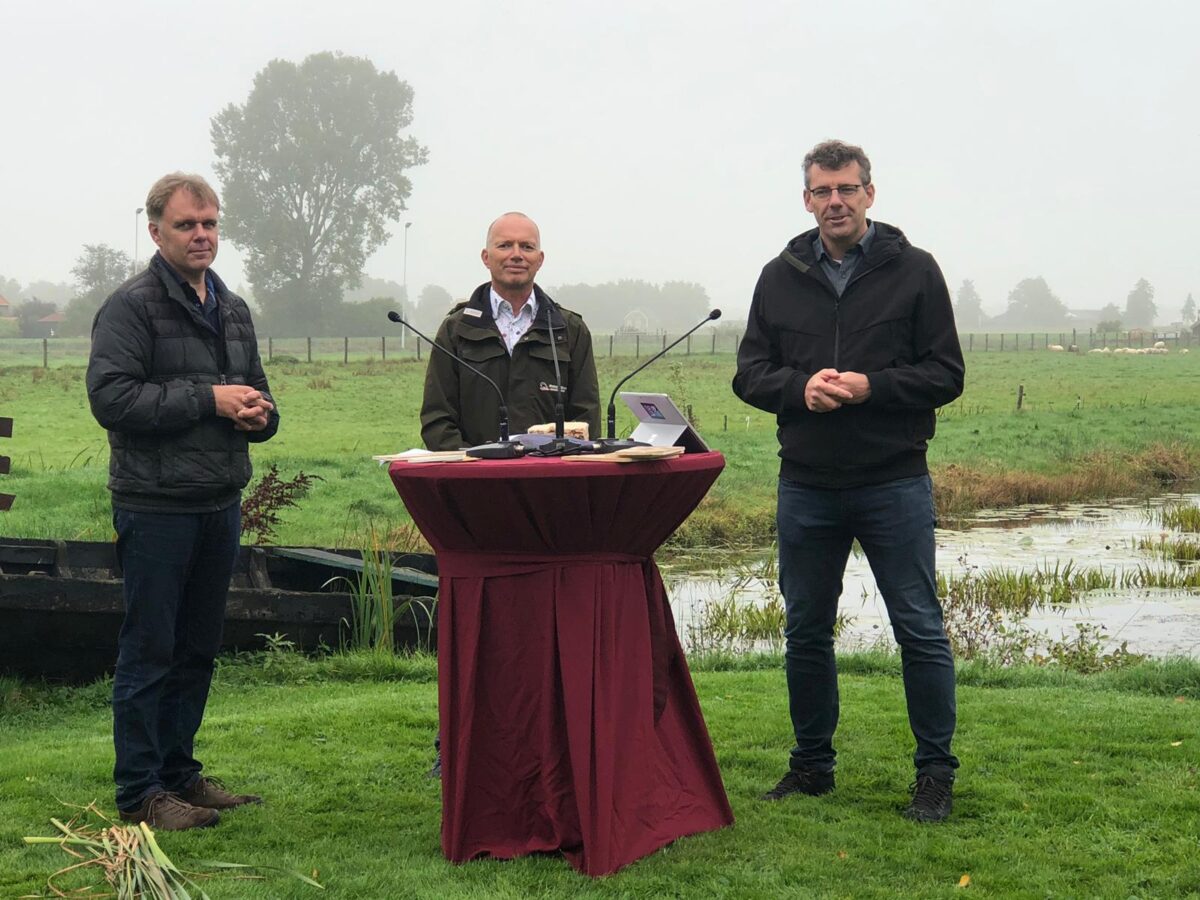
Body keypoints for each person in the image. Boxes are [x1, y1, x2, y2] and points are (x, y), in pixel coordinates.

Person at [732, 140, 965, 822]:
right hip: (806, 483)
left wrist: (875, 387)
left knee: (918, 629)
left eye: (846, 189)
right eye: (822, 191)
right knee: (805, 629)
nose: (835, 201)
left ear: (869, 193)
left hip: (893, 480)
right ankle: (811, 767)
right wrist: (798, 388)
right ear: (806, 199)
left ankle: (934, 775)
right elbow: (750, 373)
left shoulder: (916, 273)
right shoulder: (779, 276)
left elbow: (946, 373)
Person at [86, 173, 279, 831]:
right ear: (156, 232)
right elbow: (111, 400)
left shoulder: (232, 308)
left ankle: (179, 773)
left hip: (219, 499)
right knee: (150, 651)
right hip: (155, 504)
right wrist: (209, 399)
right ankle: (140, 792)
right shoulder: (131, 308)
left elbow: (256, 390)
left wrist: (259, 413)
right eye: (187, 225)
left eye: (211, 224)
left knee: (198, 649)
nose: (202, 235)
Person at [420, 212, 600, 449]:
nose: (517, 255)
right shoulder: (456, 329)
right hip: (474, 479)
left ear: (540, 259)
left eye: (527, 246)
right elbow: (437, 419)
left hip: (551, 479)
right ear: (486, 257)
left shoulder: (570, 330)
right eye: (505, 245)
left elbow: (586, 418)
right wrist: (471, 467)